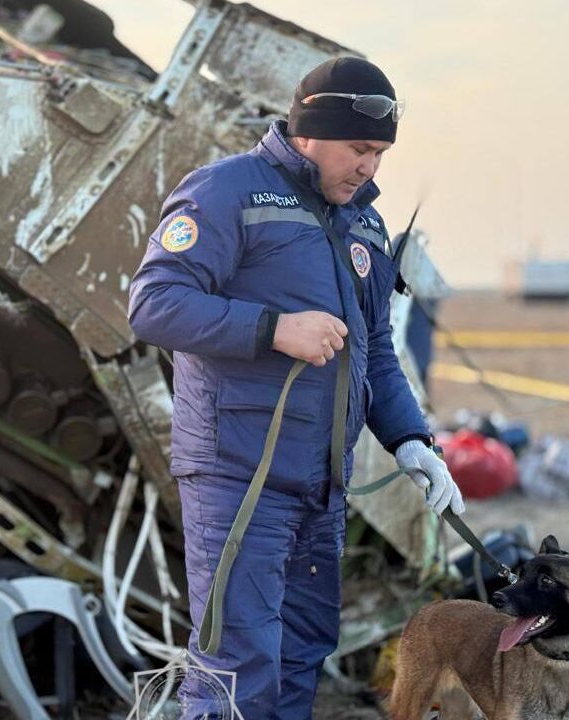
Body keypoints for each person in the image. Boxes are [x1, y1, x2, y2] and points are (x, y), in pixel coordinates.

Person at [127, 56, 466, 720]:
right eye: (358, 148)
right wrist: (273, 329)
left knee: (303, 649)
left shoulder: (365, 225)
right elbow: (154, 303)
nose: (370, 167)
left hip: (322, 486)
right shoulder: (227, 193)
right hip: (238, 477)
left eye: (381, 152)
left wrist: (412, 441)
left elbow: (375, 357)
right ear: (308, 129)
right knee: (238, 662)